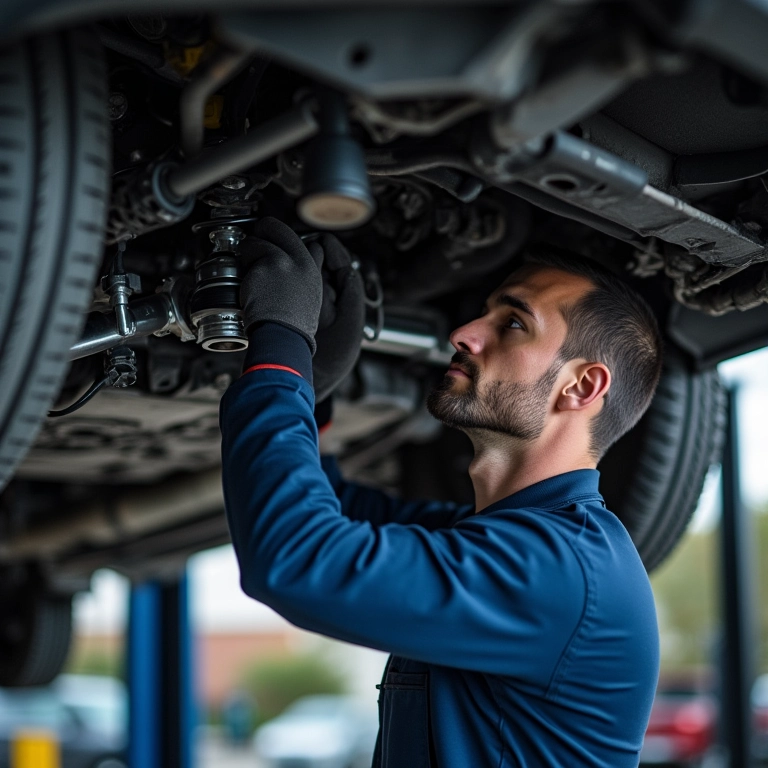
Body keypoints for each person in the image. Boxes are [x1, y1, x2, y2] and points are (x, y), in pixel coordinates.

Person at [219, 217, 663, 768]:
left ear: (582, 386)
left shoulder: (561, 570)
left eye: (513, 323)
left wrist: (281, 344)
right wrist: (315, 385)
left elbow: (294, 559)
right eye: (484, 312)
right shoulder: (509, 541)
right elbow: (330, 508)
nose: (464, 333)